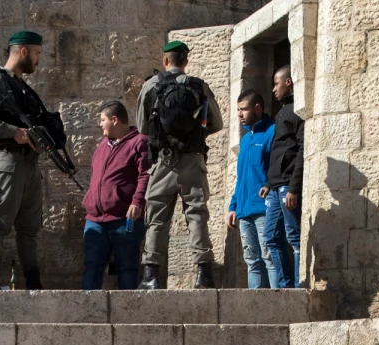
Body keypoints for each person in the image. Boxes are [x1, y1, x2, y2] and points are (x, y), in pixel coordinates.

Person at [135, 40, 223, 290]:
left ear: (165, 60)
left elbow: (142, 127)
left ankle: (151, 275)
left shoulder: (151, 85)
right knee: (196, 214)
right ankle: (204, 273)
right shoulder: (199, 86)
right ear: (185, 61)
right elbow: (216, 124)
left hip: (163, 161)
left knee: (157, 219)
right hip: (193, 160)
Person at [0, 30, 51, 290]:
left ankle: (33, 281)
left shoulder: (21, 86)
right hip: (9, 161)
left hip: (29, 162)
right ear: (23, 51)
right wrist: (14, 132)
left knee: (29, 228)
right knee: (1, 222)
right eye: (36, 53)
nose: (39, 60)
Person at [80, 100, 150, 290]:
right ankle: (87, 314)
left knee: (127, 268)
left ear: (115, 119)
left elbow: (145, 175)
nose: (100, 124)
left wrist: (137, 201)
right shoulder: (102, 145)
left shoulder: (139, 141)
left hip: (123, 218)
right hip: (95, 219)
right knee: (92, 266)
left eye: (102, 120)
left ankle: (128, 315)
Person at [226, 89, 276, 290]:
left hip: (264, 208)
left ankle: (277, 301)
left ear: (257, 108)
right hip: (244, 210)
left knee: (269, 257)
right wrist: (233, 206)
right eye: (238, 110)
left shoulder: (272, 132)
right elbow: (241, 178)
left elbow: (276, 168)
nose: (239, 114)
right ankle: (256, 305)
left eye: (243, 109)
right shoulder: (246, 139)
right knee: (251, 259)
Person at [263, 66, 303, 288]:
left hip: (287, 186)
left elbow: (300, 150)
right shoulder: (282, 112)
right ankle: (285, 285)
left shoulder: (297, 110)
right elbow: (279, 151)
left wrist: (293, 188)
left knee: (294, 238)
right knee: (271, 236)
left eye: (276, 84)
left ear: (288, 82)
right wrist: (269, 183)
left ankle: (297, 286)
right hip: (276, 187)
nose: (273, 89)